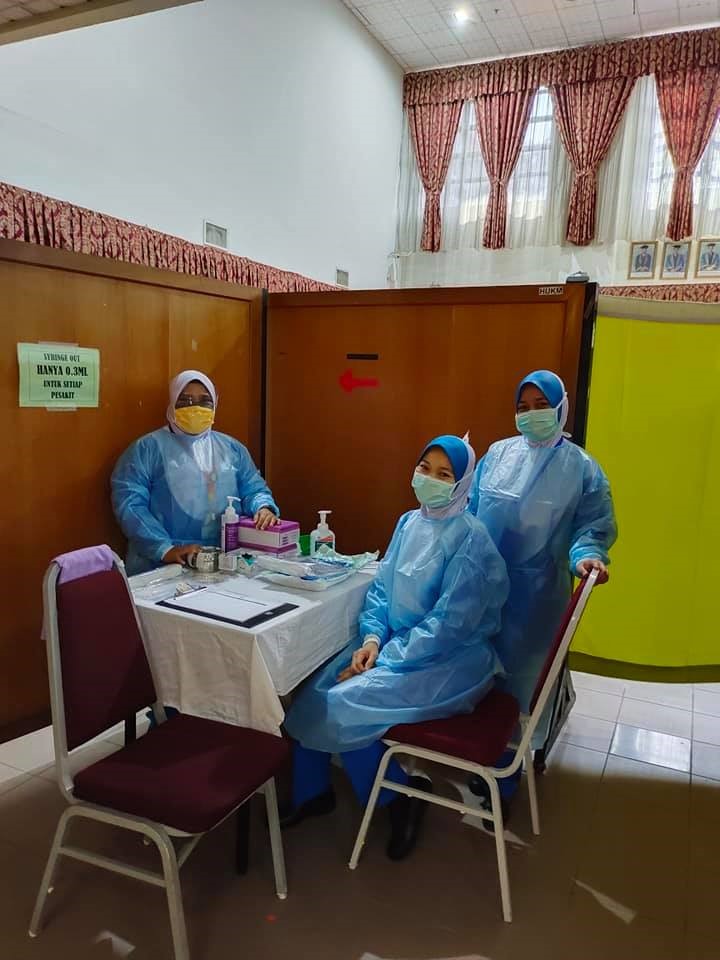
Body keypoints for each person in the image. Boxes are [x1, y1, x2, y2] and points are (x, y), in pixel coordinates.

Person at [282, 435, 509, 861]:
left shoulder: (471, 540)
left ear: (463, 484)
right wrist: (371, 640)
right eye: (425, 468)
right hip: (395, 645)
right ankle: (311, 792)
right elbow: (382, 592)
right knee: (314, 687)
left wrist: (382, 659)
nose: (430, 480)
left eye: (444, 474)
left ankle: (399, 798)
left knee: (343, 704)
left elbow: (448, 626)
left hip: (448, 661)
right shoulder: (408, 523)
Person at [468, 370, 616, 814]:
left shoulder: (581, 468)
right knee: (477, 669)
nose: (531, 414)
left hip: (536, 596)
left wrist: (586, 556)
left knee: (522, 682)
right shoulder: (497, 455)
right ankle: (475, 748)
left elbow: (592, 526)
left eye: (541, 405)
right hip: (483, 587)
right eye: (523, 407)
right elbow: (470, 513)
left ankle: (507, 770)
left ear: (561, 408)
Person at [112, 369, 279, 575]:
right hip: (162, 566)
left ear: (215, 405)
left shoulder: (232, 449)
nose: (195, 408)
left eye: (204, 401)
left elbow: (253, 487)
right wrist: (165, 549)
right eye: (185, 401)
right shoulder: (147, 449)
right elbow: (130, 505)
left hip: (224, 562)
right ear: (172, 403)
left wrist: (263, 507)